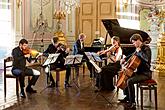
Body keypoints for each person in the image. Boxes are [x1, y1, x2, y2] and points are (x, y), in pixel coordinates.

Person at [118, 34, 152, 109]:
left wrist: (140, 52)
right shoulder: (138, 48)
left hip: (146, 73)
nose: (133, 44)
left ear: (138, 40)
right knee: (127, 77)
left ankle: (132, 102)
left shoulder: (146, 48)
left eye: (134, 42)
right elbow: (132, 55)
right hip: (140, 72)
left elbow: (147, 59)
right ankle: (127, 97)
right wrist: (124, 59)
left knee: (130, 81)